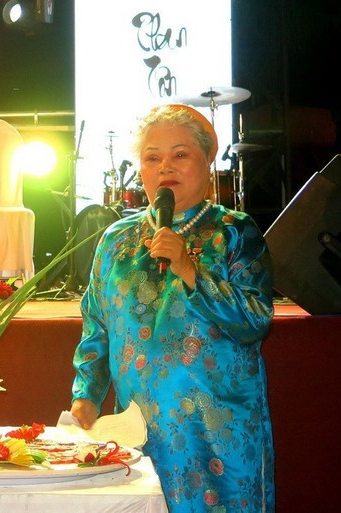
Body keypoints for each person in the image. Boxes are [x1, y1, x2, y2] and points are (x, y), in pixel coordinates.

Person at [70, 104, 275, 512]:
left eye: (180, 154)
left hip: (218, 434)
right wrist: (86, 395)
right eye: (152, 157)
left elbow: (255, 320)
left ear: (206, 161)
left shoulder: (234, 231)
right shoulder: (115, 240)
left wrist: (189, 268)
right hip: (139, 429)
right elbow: (97, 328)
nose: (166, 166)